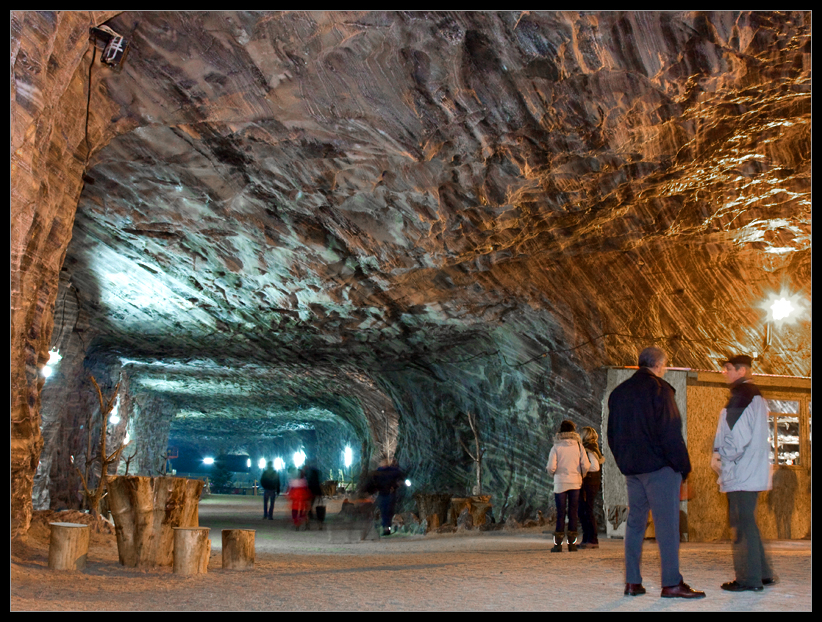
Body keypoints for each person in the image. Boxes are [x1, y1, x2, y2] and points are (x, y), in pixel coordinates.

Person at [607, 346, 705, 599]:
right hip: (659, 469)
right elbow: (670, 432)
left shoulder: (619, 394)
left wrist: (624, 462)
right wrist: (683, 466)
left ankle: (632, 582)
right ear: (660, 365)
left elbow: (612, 434)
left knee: (636, 523)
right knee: (667, 525)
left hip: (633, 470)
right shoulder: (660, 389)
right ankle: (671, 583)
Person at [712, 354, 776, 592]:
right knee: (749, 523)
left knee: (741, 525)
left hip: (741, 472)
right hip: (751, 470)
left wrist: (721, 456)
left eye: (728, 368)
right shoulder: (755, 395)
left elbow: (736, 437)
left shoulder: (742, 397)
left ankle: (749, 579)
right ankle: (763, 574)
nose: (724, 372)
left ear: (741, 370)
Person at [546, 420, 590, 552]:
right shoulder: (578, 446)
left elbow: (551, 467)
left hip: (560, 483)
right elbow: (586, 465)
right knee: (573, 512)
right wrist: (581, 475)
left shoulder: (556, 447)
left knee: (560, 513)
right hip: (575, 482)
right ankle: (572, 543)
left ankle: (558, 544)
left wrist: (553, 474)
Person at [578, 426, 604, 549]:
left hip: (590, 482)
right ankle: (587, 538)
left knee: (587, 510)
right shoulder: (592, 448)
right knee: (583, 510)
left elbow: (594, 467)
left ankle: (592, 539)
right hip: (590, 482)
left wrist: (583, 470)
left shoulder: (589, 449)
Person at [369, 457, 405, 536]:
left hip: (388, 493)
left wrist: (396, 485)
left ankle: (387, 527)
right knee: (384, 510)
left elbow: (400, 477)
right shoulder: (379, 472)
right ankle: (385, 527)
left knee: (387, 510)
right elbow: (373, 482)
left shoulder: (391, 471)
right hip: (383, 493)